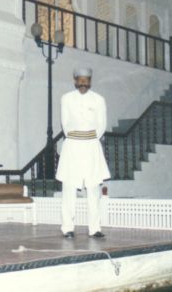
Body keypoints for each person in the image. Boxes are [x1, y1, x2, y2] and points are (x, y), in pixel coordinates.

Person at [56, 67, 111, 238]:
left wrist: (89, 139)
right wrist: (77, 138)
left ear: (90, 81)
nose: (83, 84)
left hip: (91, 147)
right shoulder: (66, 99)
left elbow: (101, 125)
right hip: (72, 146)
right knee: (69, 188)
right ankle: (67, 228)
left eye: (86, 81)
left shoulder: (99, 100)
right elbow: (65, 124)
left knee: (93, 189)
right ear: (75, 81)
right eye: (80, 80)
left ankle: (95, 228)